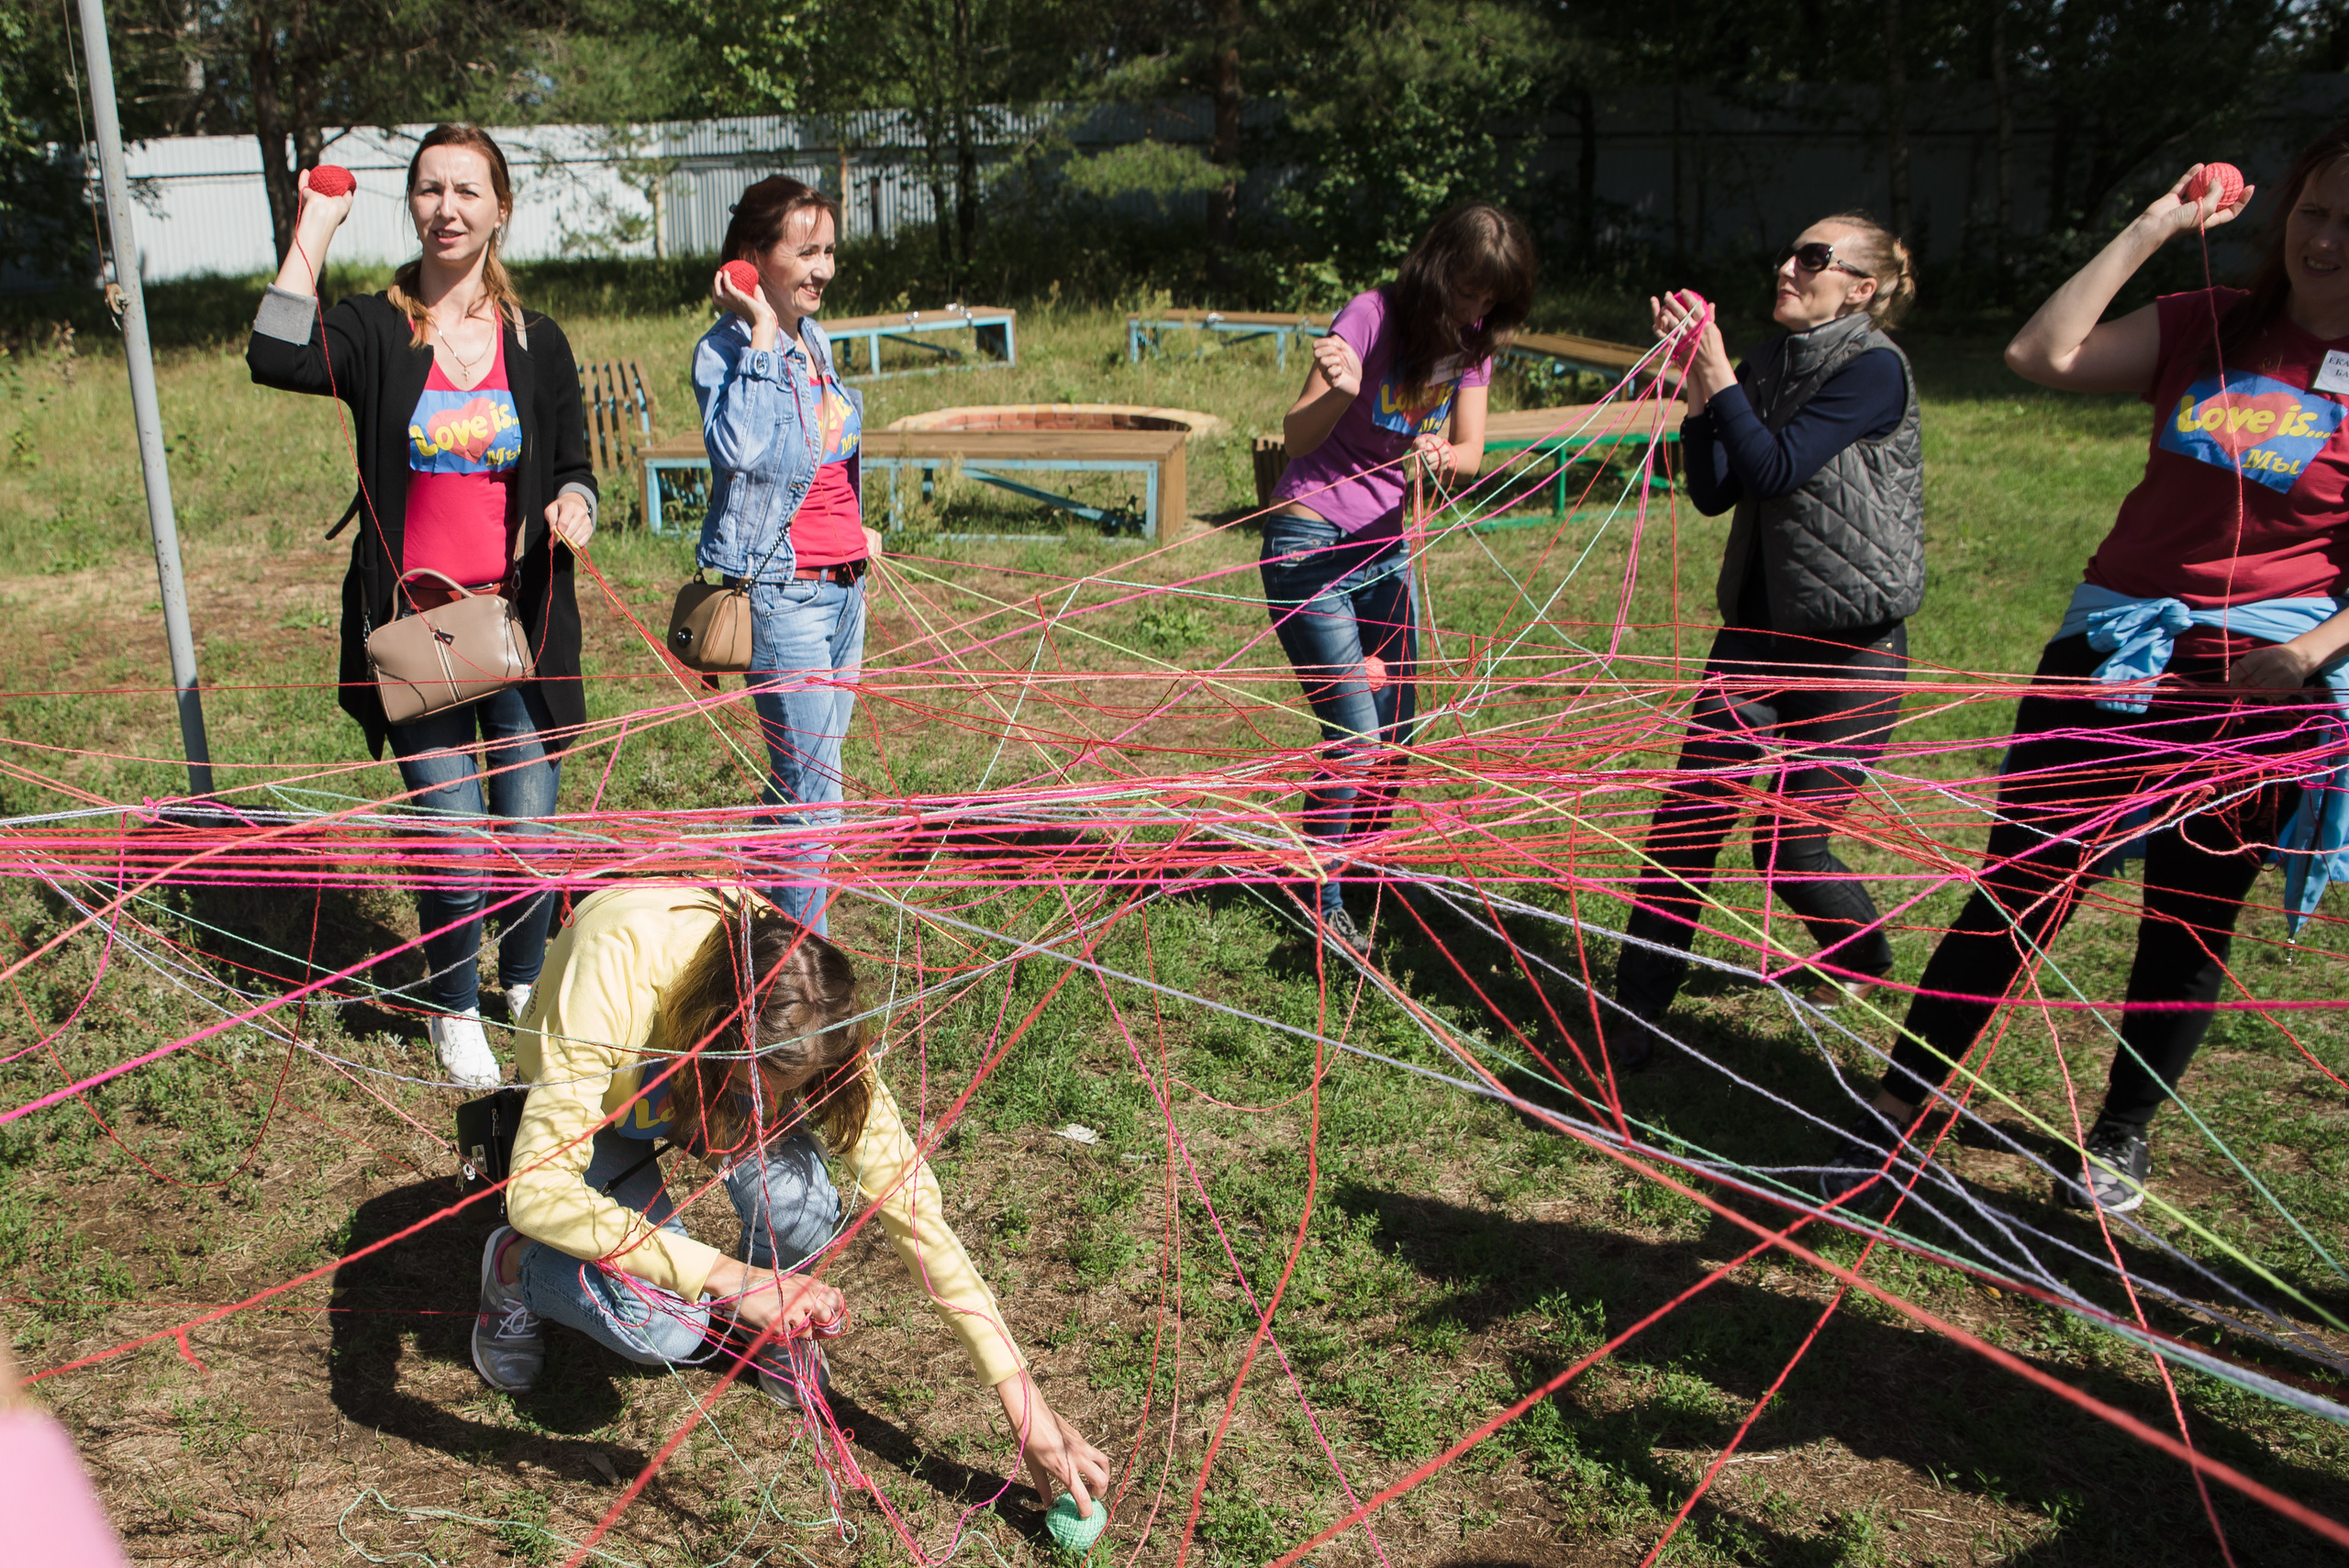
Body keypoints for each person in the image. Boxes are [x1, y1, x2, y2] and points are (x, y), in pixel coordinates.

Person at [1819, 142, 2348, 1216]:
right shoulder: (2210, 318)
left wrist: (2310, 652)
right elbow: (2041, 353)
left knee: (2188, 920)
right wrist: (2157, 222)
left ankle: (2120, 1132)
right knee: (2019, 887)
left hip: (2258, 683)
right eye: (2315, 211)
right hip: (2111, 653)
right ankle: (1902, 1104)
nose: (2324, 240)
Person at [472, 884, 1110, 1522]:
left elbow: (910, 1202)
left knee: (801, 1204)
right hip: (609, 1109)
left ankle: (766, 1326)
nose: (773, 1105)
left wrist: (1023, 1398)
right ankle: (516, 1270)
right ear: (721, 1029)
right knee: (666, 1324)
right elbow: (538, 1187)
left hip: (702, 1078)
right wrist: (729, 1277)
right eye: (768, 1086)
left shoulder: (802, 990)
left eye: (791, 1090)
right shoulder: (614, 967)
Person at [248, 125, 596, 1090]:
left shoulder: (538, 340)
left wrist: (577, 505)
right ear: (412, 205)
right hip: (416, 632)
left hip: (520, 623)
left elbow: (573, 465)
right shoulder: (375, 328)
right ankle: (453, 1006)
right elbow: (275, 353)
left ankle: (523, 986)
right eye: (431, 189)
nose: (448, 207)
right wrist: (315, 223)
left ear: (500, 209)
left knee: (526, 830)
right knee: (450, 833)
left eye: (468, 190)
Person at [1609, 215, 1923, 1068]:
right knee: (1689, 819)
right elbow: (1717, 487)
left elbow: (1780, 467)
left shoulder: (1873, 372)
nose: (1787, 266)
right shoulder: (1770, 359)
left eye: (1813, 258)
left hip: (1852, 646)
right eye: (1789, 251)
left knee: (1791, 842)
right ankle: (1630, 1014)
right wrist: (1701, 388)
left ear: (1860, 286)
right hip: (1754, 637)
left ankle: (1859, 955)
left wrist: (1715, 368)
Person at [1263, 204, 1537, 955]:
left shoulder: (1472, 346)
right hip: (1309, 541)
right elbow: (1295, 435)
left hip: (1385, 551)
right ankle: (1322, 899)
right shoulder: (1372, 315)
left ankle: (1360, 873)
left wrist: (1447, 458)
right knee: (1354, 733)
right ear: (1436, 265)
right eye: (1468, 290)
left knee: (1397, 735)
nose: (1474, 310)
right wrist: (1342, 391)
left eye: (1490, 300)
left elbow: (1472, 448)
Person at [695, 177, 885, 937]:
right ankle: (805, 983)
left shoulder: (820, 340)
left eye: (829, 250)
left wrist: (859, 529)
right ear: (752, 259)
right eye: (805, 251)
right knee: (817, 796)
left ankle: (756, 927)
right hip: (782, 593)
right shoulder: (725, 352)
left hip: (843, 590)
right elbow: (736, 449)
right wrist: (763, 336)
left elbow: (833, 457)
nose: (823, 269)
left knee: (799, 784)